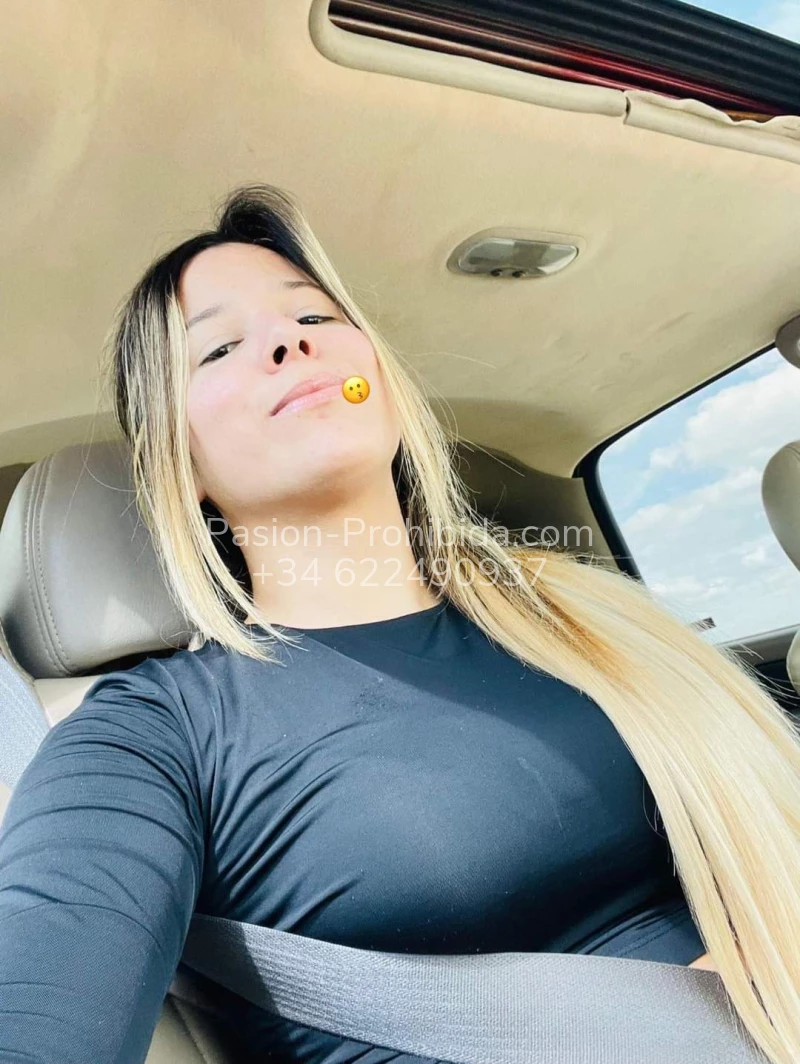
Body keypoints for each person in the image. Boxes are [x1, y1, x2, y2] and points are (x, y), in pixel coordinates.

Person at [0, 183, 798, 1064]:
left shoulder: (573, 609)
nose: (289, 341)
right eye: (219, 348)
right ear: (177, 465)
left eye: (314, 315)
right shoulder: (152, 734)